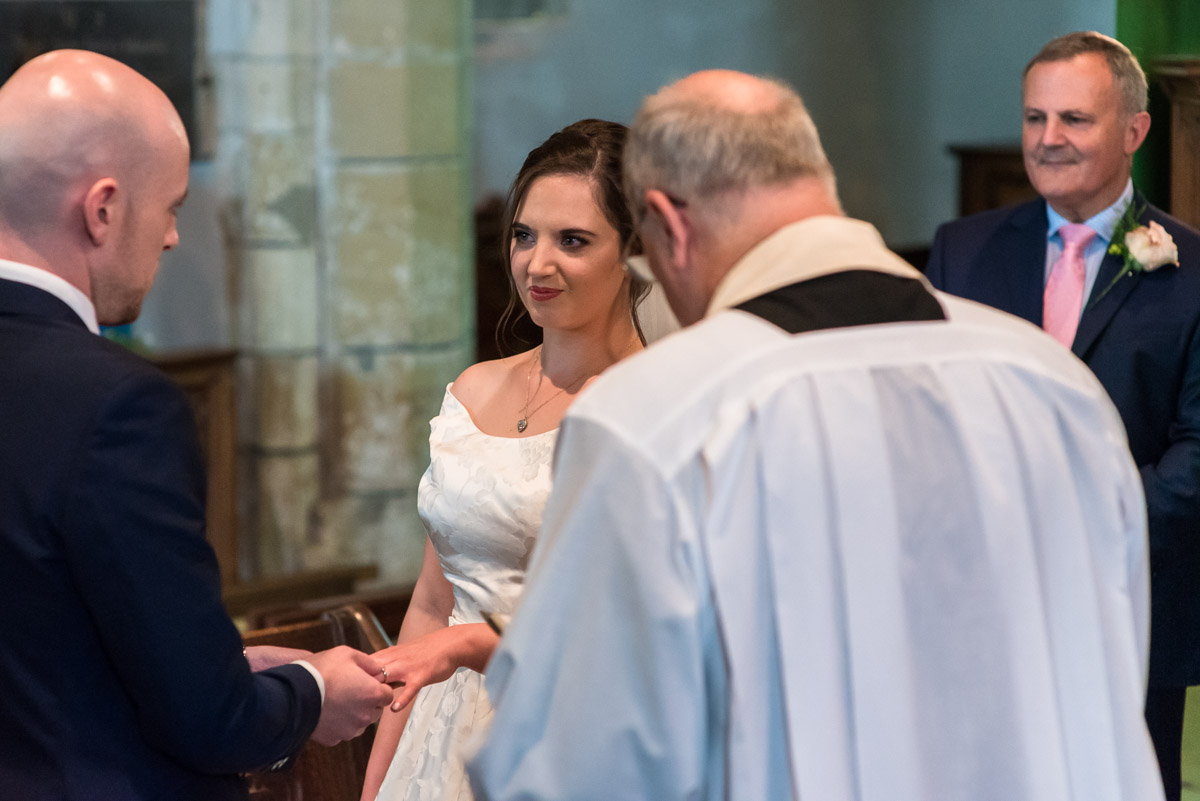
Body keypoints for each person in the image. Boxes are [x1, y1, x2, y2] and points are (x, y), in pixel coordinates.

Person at [466, 69, 1166, 801]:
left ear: (668, 226)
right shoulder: (1053, 384)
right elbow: (1116, 668)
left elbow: (569, 767)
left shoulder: (660, 417)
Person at [0, 50, 395, 801]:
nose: (174, 237)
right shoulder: (115, 404)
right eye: (171, 206)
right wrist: (313, 690)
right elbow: (210, 722)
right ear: (103, 208)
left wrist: (216, 661)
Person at [924, 31, 1200, 800]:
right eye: (1034, 118)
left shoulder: (1192, 271)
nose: (1048, 140)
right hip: (982, 584)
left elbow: (1198, 446)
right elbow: (925, 410)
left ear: (1135, 131)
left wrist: (1091, 518)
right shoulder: (961, 251)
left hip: (1127, 592)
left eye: (1074, 119)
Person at [360, 119, 650, 801]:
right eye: (525, 234)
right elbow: (432, 605)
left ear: (634, 251)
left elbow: (618, 627)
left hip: (569, 731)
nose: (536, 264)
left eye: (572, 241)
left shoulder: (650, 405)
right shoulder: (472, 387)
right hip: (442, 725)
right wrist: (377, 782)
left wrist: (466, 647)